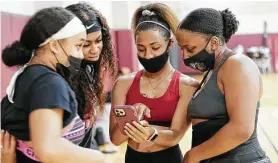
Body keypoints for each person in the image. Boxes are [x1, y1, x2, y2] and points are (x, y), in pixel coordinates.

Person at [1, 7, 105, 163]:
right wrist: (100, 158)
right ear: (55, 45)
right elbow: (49, 149)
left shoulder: (25, 77)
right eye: (78, 46)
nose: (80, 55)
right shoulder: (49, 83)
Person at [176, 8, 270, 163]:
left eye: (190, 48)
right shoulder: (212, 70)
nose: (185, 55)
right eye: (182, 49)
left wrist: (194, 155)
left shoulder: (237, 64)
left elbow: (241, 129)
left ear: (214, 42)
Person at [109, 3, 198, 163]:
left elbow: (175, 135)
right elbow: (115, 139)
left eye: (155, 47)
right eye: (141, 49)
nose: (148, 55)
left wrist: (151, 133)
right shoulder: (123, 84)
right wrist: (132, 117)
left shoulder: (187, 85)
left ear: (170, 44)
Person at [65, 2, 117, 149]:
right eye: (86, 44)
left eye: (98, 41)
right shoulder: (58, 78)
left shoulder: (85, 68)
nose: (95, 49)